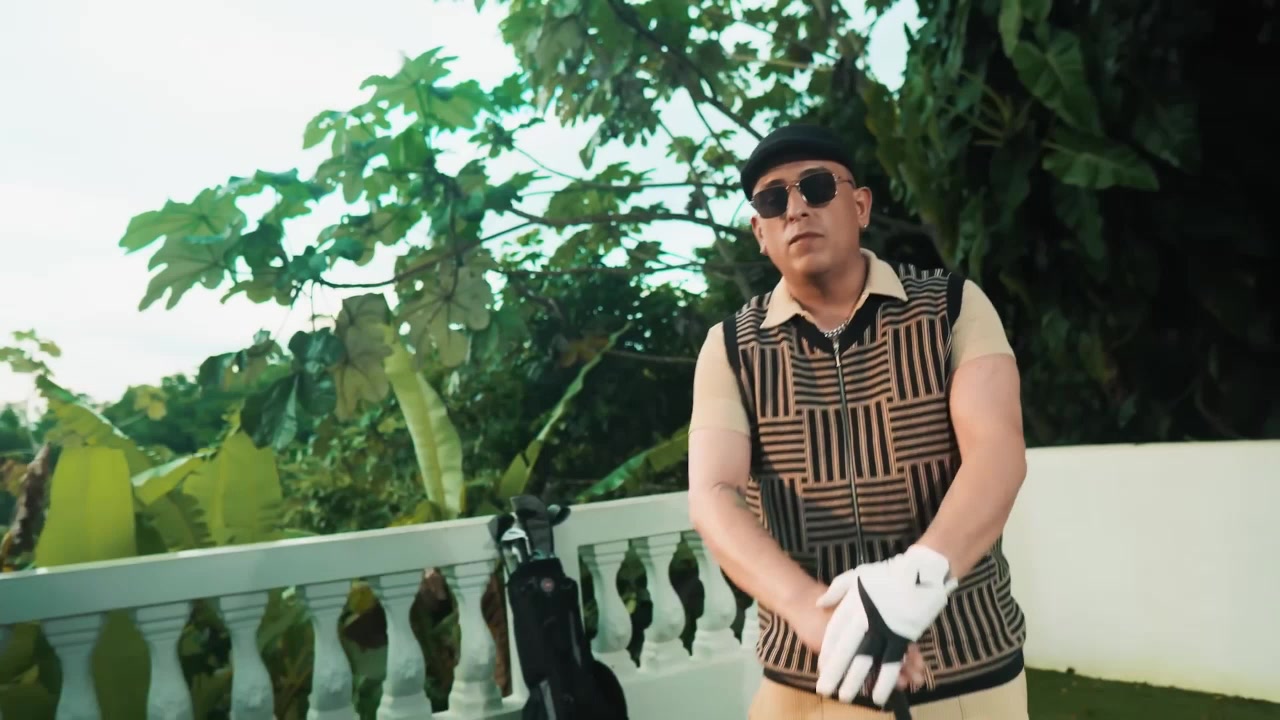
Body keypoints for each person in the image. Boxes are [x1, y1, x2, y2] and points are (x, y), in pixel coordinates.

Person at [686, 124, 1030, 719]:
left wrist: (918, 577)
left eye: (817, 187)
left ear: (861, 206)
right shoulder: (731, 347)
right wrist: (813, 612)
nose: (796, 208)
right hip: (809, 679)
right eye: (773, 199)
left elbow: (997, 452)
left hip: (963, 672)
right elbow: (713, 493)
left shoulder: (952, 306)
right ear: (760, 232)